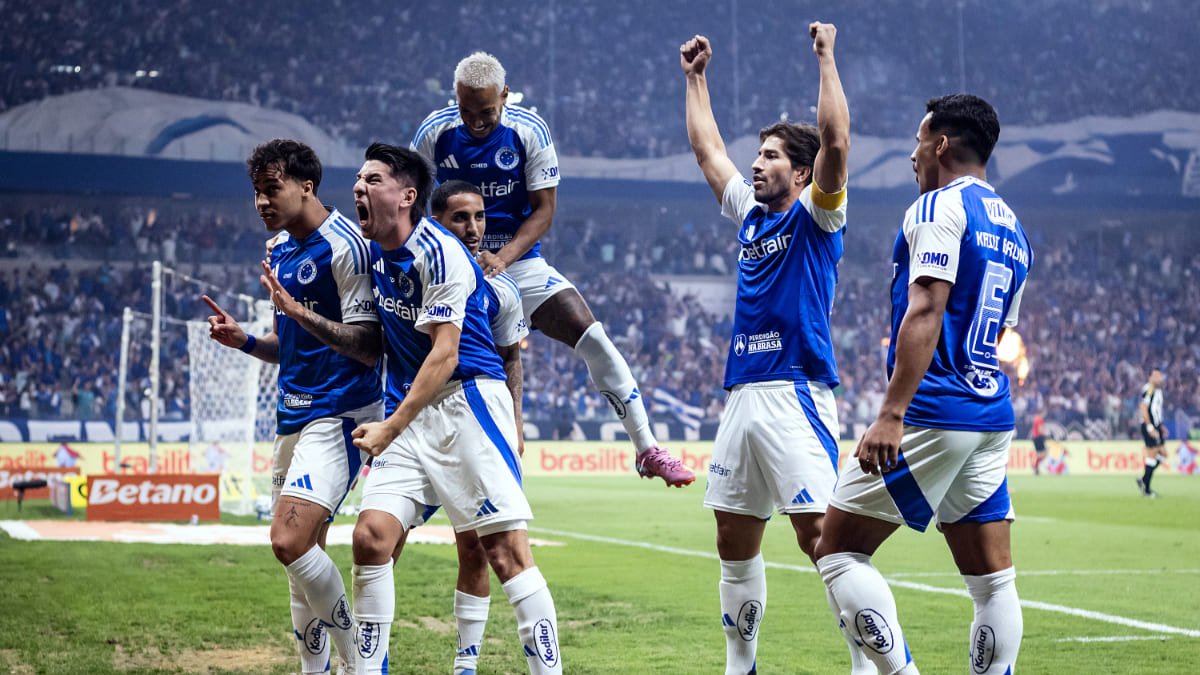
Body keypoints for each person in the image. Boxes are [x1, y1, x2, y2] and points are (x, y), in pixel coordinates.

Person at [815, 94, 1032, 675]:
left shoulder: (939, 207)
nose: (913, 155)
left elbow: (927, 307)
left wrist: (891, 413)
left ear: (940, 144)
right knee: (992, 582)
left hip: (936, 410)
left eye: (917, 141)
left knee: (836, 550)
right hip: (989, 414)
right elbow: (1002, 332)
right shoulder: (1015, 231)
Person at [411, 51, 693, 487]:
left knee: (594, 338)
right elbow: (413, 203)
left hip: (517, 263)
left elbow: (544, 211)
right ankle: (398, 445)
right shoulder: (434, 132)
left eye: (486, 111)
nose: (476, 122)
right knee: (413, 345)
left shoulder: (528, 130)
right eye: (466, 110)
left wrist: (502, 259)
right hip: (453, 269)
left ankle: (648, 449)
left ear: (504, 96)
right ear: (455, 98)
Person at [680, 25, 863, 674]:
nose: (756, 163)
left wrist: (825, 57)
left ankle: (867, 663)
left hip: (796, 391)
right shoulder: (752, 217)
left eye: (771, 155)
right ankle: (742, 665)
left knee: (823, 540)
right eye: (756, 154)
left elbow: (837, 140)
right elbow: (707, 152)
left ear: (803, 171)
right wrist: (695, 79)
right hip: (744, 395)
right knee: (733, 536)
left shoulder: (818, 215)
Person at [344, 143, 561, 674]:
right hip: (409, 410)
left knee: (505, 553)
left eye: (372, 180)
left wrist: (390, 428)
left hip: (467, 403)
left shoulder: (441, 252)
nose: (358, 188)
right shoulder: (370, 249)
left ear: (406, 196)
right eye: (358, 179)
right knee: (371, 538)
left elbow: (444, 353)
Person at [203, 138, 382, 674]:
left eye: (271, 189)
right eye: (256, 192)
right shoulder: (281, 249)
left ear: (306, 186)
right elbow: (293, 346)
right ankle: (315, 669)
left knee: (287, 540)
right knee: (302, 561)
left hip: (342, 412)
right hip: (293, 413)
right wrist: (248, 342)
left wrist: (296, 312)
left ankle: (359, 658)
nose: (261, 202)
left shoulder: (347, 247)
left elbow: (368, 345)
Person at [378, 178, 531, 675]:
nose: (474, 228)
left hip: (474, 411)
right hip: (416, 414)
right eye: (461, 218)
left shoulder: (501, 288)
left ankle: (465, 664)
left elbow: (511, 359)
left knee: (480, 547)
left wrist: (518, 421)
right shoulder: (416, 263)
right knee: (377, 537)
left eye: (480, 217)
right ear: (436, 222)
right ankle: (365, 654)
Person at [1137, 367, 1168, 497]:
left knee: (1163, 455)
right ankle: (1147, 490)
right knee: (1152, 456)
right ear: (1150, 377)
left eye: (1159, 375)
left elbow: (1155, 411)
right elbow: (1143, 407)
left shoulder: (1158, 391)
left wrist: (1160, 426)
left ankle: (1144, 479)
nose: (1158, 378)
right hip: (1149, 426)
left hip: (1156, 426)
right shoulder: (1149, 389)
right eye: (1155, 376)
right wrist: (1150, 427)